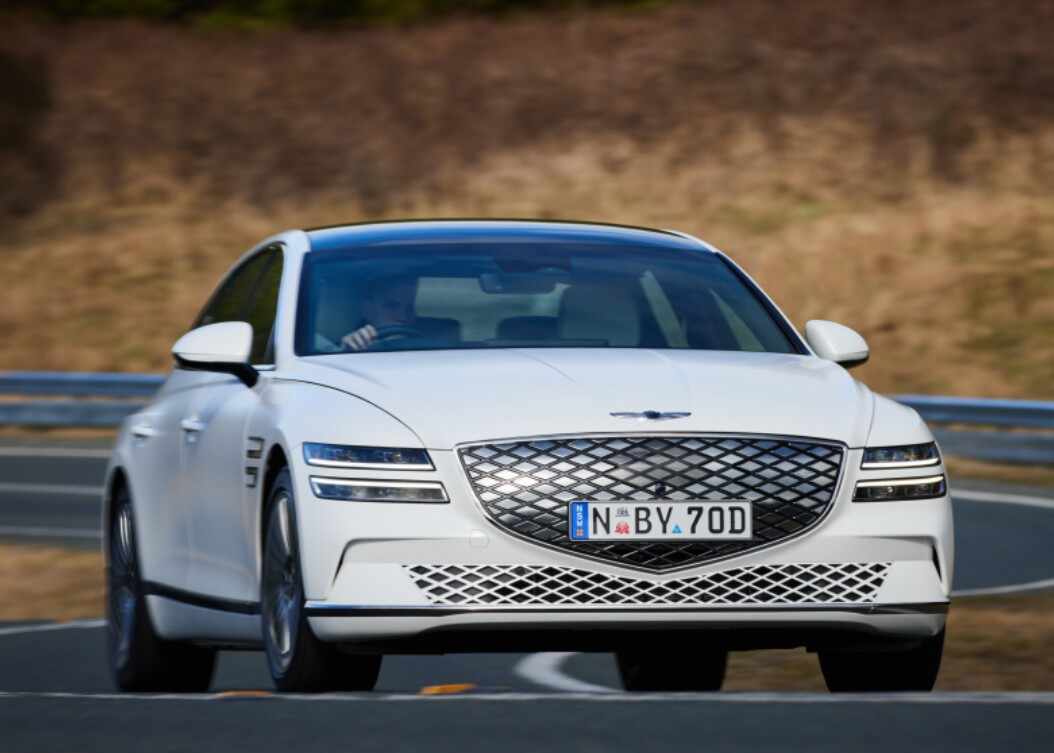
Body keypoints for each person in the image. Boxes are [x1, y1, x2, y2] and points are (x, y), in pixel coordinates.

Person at [341, 275, 419, 351]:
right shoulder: (353, 346)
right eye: (392, 306)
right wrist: (348, 350)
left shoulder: (425, 347)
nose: (403, 317)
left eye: (410, 308)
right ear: (368, 309)